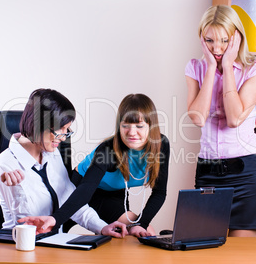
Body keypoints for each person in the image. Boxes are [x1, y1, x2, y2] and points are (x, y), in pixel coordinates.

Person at [14, 93, 170, 238]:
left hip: (116, 193)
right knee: (56, 232)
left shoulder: (161, 145)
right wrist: (55, 219)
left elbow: (159, 192)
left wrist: (141, 223)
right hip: (82, 186)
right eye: (125, 125)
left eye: (139, 126)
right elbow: (86, 189)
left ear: (151, 127)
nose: (131, 132)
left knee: (140, 231)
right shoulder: (108, 150)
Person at [0, 88, 126, 237]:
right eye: (59, 130)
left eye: (67, 130)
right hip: (21, 244)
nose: (63, 138)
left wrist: (103, 228)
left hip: (55, 242)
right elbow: (27, 224)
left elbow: (70, 200)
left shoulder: (52, 154)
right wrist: (17, 187)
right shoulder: (6, 164)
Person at [185, 5, 256, 237]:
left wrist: (229, 68)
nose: (217, 48)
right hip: (208, 172)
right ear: (201, 38)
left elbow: (233, 118)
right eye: (209, 40)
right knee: (205, 249)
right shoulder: (195, 67)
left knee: (239, 257)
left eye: (224, 40)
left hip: (247, 175)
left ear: (236, 37)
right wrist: (212, 67)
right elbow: (198, 118)